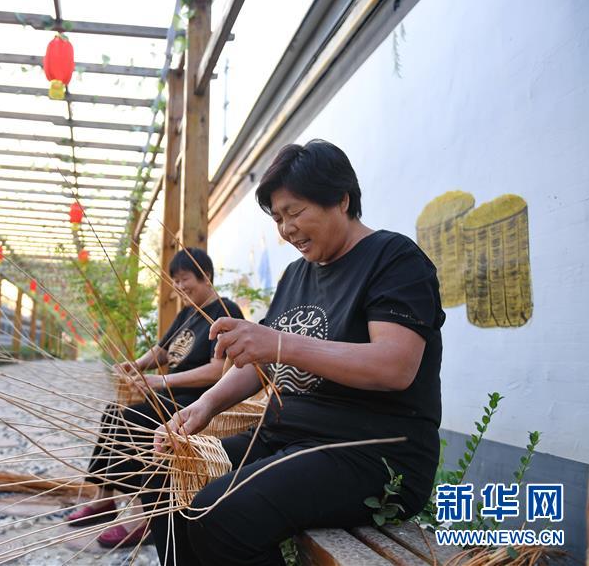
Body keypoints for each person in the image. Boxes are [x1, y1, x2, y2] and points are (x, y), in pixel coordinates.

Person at [145, 140, 446, 565]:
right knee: (170, 480)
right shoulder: (296, 274)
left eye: (295, 212)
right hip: (284, 440)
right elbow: (261, 358)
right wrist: (206, 406)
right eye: (278, 218)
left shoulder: (394, 260)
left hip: (371, 452)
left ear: (341, 199)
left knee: (220, 514)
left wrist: (281, 343)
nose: (287, 230)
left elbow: (394, 367)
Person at [65, 248, 245, 548]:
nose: (179, 287)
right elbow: (162, 350)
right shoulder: (188, 312)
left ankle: (142, 518)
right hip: (171, 393)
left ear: (206, 276)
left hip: (200, 401)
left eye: (184, 279)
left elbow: (218, 370)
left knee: (134, 420)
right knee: (114, 412)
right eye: (175, 281)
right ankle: (104, 497)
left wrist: (161, 380)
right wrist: (136, 365)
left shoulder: (225, 311)